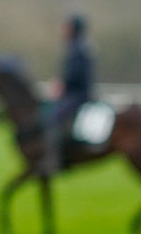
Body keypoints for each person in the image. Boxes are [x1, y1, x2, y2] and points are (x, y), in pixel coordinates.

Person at [40, 13, 94, 176]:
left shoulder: (77, 48)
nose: (62, 29)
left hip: (77, 95)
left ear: (74, 29)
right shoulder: (79, 46)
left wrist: (62, 85)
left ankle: (54, 160)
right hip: (75, 93)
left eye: (65, 26)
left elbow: (75, 76)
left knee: (52, 118)